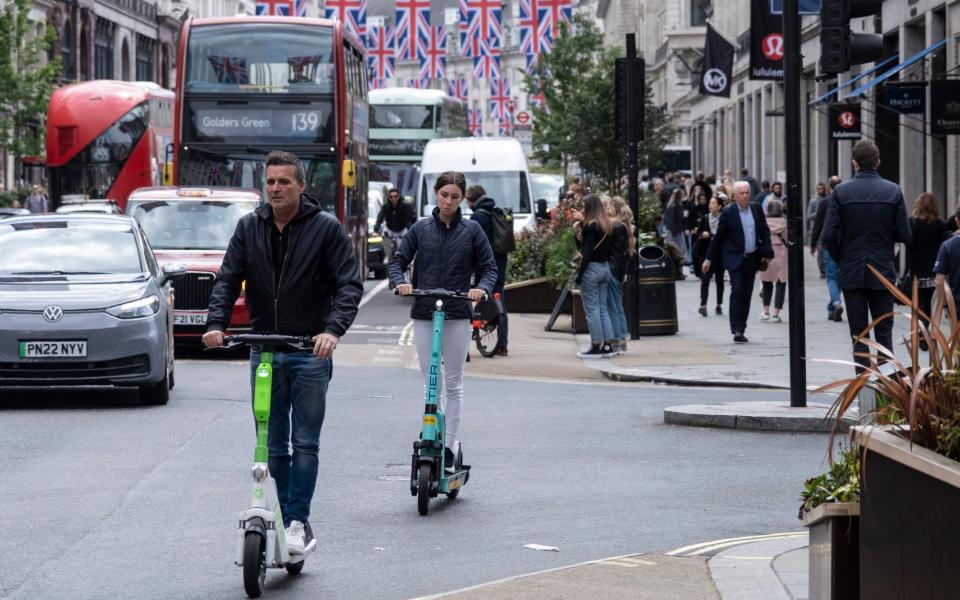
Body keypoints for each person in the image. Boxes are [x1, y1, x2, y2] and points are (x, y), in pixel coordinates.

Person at [202, 150, 363, 554]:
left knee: (305, 442)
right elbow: (228, 280)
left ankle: (296, 520)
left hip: (310, 349)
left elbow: (348, 285)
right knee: (271, 444)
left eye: (284, 182)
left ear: (301, 186)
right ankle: (285, 510)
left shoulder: (326, 229)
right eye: (270, 182)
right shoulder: (248, 227)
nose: (275, 188)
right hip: (265, 349)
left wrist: (331, 331)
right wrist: (216, 324)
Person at [390, 171, 497, 470]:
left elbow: (489, 268)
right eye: (443, 195)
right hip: (425, 311)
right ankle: (430, 434)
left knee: (453, 383)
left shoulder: (473, 230)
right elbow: (398, 261)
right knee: (430, 383)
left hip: (458, 312)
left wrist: (482, 290)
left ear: (462, 198)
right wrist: (401, 282)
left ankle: (448, 446)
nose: (448, 201)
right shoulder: (421, 228)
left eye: (454, 196)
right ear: (435, 194)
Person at [822, 140, 911, 373]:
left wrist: (842, 256)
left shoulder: (841, 192)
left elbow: (828, 235)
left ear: (854, 163)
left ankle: (863, 389)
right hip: (882, 269)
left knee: (859, 335)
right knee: (884, 333)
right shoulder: (893, 191)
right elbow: (904, 233)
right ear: (878, 161)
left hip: (852, 270)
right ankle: (886, 392)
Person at [702, 181, 774, 343]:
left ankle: (742, 328)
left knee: (747, 293)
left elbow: (764, 231)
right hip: (734, 258)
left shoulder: (756, 209)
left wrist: (768, 254)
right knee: (738, 290)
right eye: (741, 193)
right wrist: (708, 258)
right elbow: (718, 237)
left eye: (747, 192)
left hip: (752, 257)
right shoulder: (728, 212)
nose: (745, 195)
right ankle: (736, 328)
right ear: (734, 196)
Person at [466, 184, 509, 356]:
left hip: (483, 265)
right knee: (500, 301)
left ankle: (476, 326)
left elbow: (471, 243)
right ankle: (503, 345)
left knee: (475, 295)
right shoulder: (496, 211)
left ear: (471, 199)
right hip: (500, 263)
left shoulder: (477, 216)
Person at [573, 194, 616, 358]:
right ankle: (607, 346)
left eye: (584, 206)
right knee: (603, 309)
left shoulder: (590, 227)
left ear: (590, 208)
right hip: (605, 268)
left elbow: (587, 253)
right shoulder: (607, 226)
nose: (582, 209)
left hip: (592, 269)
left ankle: (596, 345)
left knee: (592, 311)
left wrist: (580, 275)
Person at [904, 192, 947, 349]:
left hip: (916, 268)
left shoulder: (912, 223)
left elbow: (910, 245)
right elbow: (942, 245)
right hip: (932, 269)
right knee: (927, 302)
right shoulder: (940, 225)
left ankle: (921, 332)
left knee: (918, 302)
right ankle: (924, 330)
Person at [811, 175, 844, 321]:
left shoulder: (824, 202)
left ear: (829, 187)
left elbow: (818, 224)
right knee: (839, 276)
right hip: (844, 244)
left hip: (828, 243)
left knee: (831, 276)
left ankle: (836, 303)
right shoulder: (845, 200)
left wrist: (812, 244)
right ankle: (832, 308)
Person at [606, 196, 634, 354]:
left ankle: (618, 339)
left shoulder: (615, 226)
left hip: (613, 270)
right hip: (619, 270)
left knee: (613, 306)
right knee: (617, 306)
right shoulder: (624, 225)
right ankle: (622, 338)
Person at [693, 193, 725, 316]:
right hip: (706, 253)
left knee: (719, 280)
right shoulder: (705, 218)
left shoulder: (724, 218)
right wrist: (703, 234)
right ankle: (703, 304)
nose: (710, 205)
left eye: (713, 203)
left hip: (720, 254)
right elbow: (698, 233)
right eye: (710, 203)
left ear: (719, 206)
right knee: (705, 279)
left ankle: (719, 304)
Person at [759, 200, 788, 323]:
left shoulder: (763, 223)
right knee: (781, 283)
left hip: (767, 254)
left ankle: (765, 312)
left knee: (766, 282)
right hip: (782, 254)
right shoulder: (785, 223)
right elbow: (788, 239)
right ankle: (776, 313)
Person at [374, 187, 417, 265]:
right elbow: (380, 216)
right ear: (388, 198)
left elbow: (409, 219)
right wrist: (376, 226)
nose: (393, 198)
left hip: (401, 229)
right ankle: (387, 254)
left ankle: (406, 258)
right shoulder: (386, 207)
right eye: (391, 196)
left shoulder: (404, 206)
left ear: (398, 197)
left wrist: (411, 229)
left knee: (403, 246)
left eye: (395, 196)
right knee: (384, 234)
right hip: (390, 228)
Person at [934, 208, 960, 313]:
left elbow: (939, 281)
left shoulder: (948, 246)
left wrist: (944, 305)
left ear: (957, 221)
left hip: (957, 308)